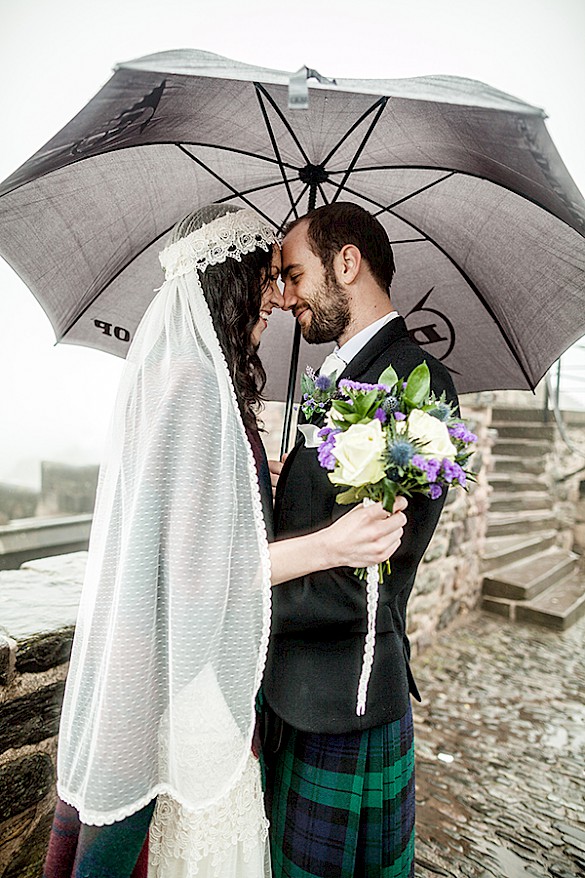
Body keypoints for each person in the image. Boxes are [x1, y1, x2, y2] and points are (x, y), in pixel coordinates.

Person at [43, 203, 407, 878]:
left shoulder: (170, 374)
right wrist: (331, 545)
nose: (270, 312)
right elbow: (201, 576)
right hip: (182, 676)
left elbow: (178, 519)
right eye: (261, 304)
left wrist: (245, 482)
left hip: (156, 660)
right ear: (226, 295)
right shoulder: (190, 384)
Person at [263, 201, 459, 878]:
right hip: (297, 692)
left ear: (346, 262)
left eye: (294, 274)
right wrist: (292, 483)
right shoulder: (346, 375)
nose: (285, 296)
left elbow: (371, 568)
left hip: (342, 699)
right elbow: (326, 517)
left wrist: (241, 597)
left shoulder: (412, 382)